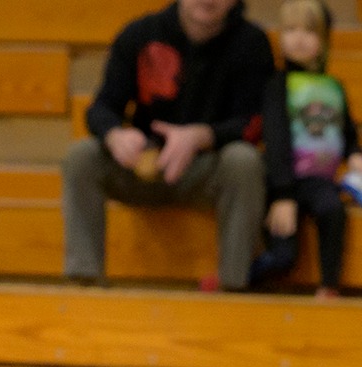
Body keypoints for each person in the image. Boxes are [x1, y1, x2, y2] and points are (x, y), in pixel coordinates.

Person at [61, 0, 274, 293]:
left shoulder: (252, 43)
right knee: (82, 156)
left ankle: (233, 286)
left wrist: (200, 136)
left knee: (245, 161)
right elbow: (101, 108)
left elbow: (253, 123)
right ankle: (85, 283)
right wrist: (116, 136)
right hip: (142, 167)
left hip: (206, 170)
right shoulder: (139, 34)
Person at [249, 0, 360, 295]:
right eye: (291, 30)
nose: (298, 38)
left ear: (323, 41)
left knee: (332, 210)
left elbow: (345, 130)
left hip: (320, 181)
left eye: (309, 31)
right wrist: (283, 195)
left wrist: (354, 154)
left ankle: (329, 285)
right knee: (284, 256)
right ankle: (243, 278)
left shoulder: (334, 87)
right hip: (285, 181)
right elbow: (276, 138)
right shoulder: (278, 85)